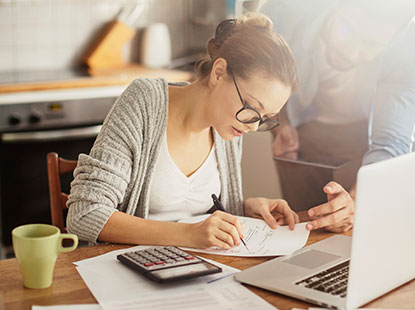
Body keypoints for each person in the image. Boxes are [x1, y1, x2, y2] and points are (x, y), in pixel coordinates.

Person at [67, 12, 301, 249]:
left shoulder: (230, 127)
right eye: (251, 108)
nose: (252, 126)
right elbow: (85, 214)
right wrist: (187, 234)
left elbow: (200, 212)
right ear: (219, 73)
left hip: (196, 270)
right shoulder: (144, 102)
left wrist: (246, 207)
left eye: (265, 119)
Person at [260, 0, 415, 233]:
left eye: (371, 45)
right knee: (299, 228)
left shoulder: (404, 49)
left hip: (362, 139)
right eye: (347, 30)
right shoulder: (284, 11)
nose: (351, 52)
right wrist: (280, 125)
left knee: (353, 227)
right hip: (301, 130)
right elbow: (257, 76)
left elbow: (389, 142)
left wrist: (360, 197)